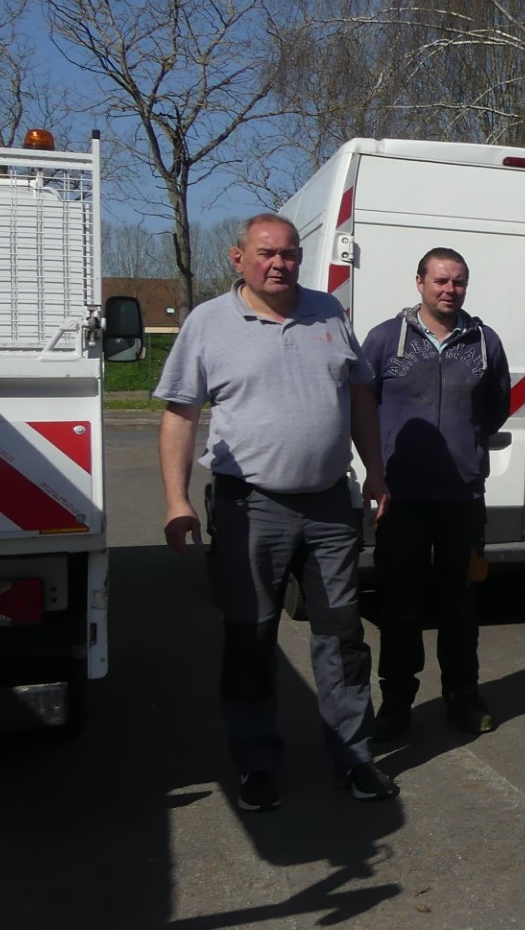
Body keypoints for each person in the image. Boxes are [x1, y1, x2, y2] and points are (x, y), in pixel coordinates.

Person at [156, 212, 398, 811]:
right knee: (252, 637)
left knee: (342, 636)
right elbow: (180, 415)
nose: (279, 263)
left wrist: (375, 472)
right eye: (266, 253)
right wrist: (177, 499)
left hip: (329, 505)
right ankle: (256, 761)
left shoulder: (328, 312)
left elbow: (360, 396)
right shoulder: (209, 322)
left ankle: (353, 756)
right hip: (250, 506)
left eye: (289, 253)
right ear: (238, 258)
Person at [360, 247, 511, 741]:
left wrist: (467, 447)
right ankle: (396, 703)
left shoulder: (484, 341)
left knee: (460, 605)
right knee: (400, 606)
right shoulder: (386, 339)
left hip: (461, 498)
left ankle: (463, 697)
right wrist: (377, 468)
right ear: (420, 282)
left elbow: (495, 408)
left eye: (458, 281)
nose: (450, 290)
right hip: (400, 497)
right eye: (441, 281)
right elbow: (363, 405)